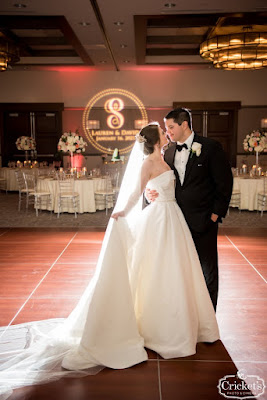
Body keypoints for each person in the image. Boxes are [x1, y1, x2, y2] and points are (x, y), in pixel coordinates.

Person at [0, 123, 219, 398]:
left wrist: (157, 193)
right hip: (159, 221)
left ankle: (177, 324)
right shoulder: (148, 163)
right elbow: (135, 192)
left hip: (173, 220)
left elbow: (165, 188)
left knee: (176, 273)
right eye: (163, 132)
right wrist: (122, 212)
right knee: (155, 271)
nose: (167, 134)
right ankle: (157, 327)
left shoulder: (165, 157)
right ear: (154, 141)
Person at [146, 108, 233, 310]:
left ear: (184, 124)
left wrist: (215, 215)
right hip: (176, 221)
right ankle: (186, 313)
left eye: (171, 127)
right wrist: (148, 193)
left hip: (204, 220)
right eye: (166, 128)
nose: (168, 132)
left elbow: (224, 183)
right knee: (180, 269)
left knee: (207, 269)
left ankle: (209, 315)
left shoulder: (211, 147)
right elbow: (157, 180)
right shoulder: (167, 152)